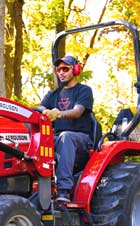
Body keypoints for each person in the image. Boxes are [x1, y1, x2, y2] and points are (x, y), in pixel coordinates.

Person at [38, 55, 98, 203]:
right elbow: (40, 108)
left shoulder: (84, 90)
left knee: (66, 137)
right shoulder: (52, 94)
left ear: (76, 70)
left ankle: (63, 190)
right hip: (58, 139)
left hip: (81, 139)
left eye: (65, 69)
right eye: (58, 70)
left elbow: (77, 111)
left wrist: (58, 114)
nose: (61, 73)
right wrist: (41, 111)